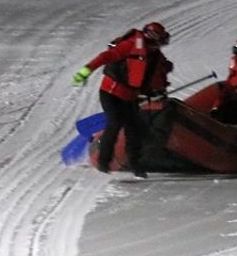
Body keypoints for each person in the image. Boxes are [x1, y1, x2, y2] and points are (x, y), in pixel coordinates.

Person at [71, 22, 173, 178]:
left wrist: (158, 92)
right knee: (115, 123)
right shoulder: (130, 45)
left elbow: (155, 77)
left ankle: (135, 164)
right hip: (110, 93)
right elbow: (106, 56)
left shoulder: (155, 56)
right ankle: (103, 161)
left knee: (134, 129)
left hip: (129, 97)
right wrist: (86, 70)